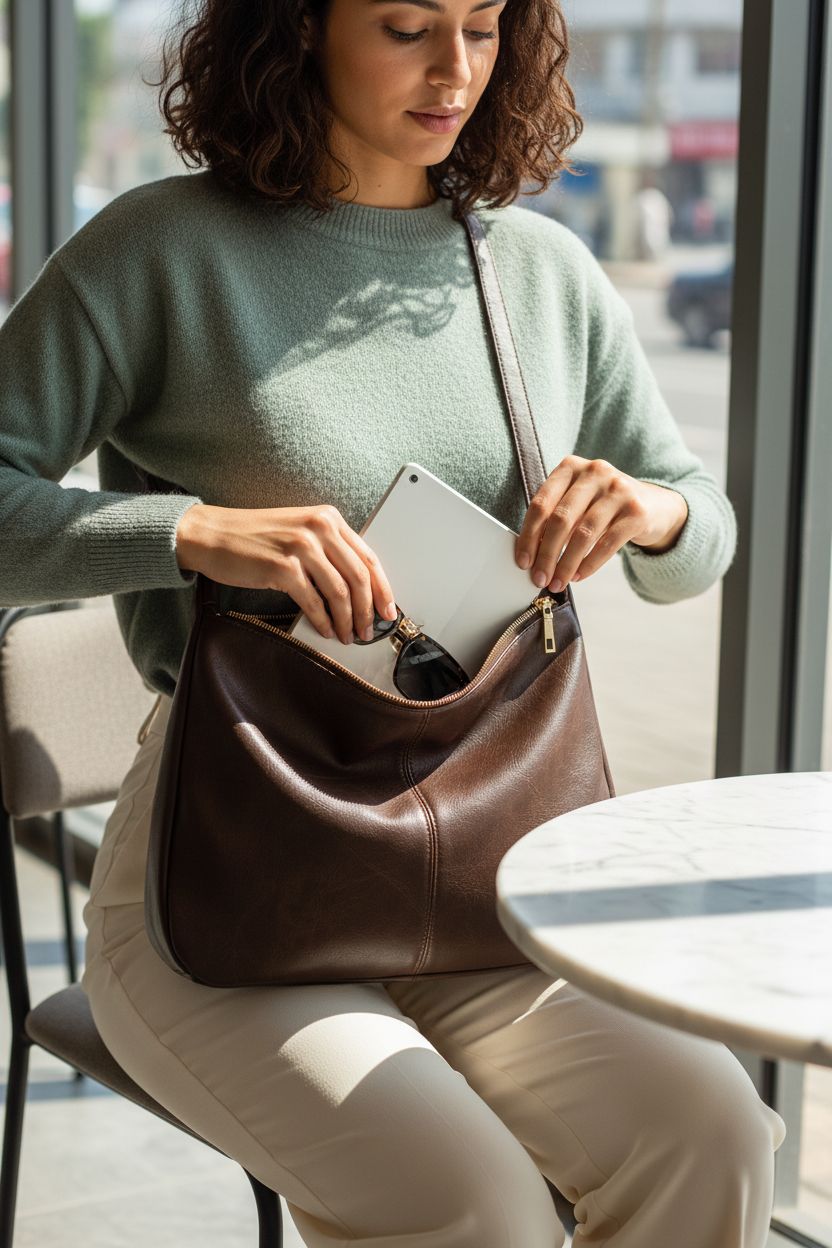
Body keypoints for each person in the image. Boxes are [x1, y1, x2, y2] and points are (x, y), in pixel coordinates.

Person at [0, 0, 786, 1243]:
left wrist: (650, 513)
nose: (457, 69)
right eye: (409, 25)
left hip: (481, 854)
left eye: (484, 27)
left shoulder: (538, 273)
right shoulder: (160, 251)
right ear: (295, 31)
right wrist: (187, 532)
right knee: (466, 1202)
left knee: (715, 1133)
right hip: (221, 877)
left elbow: (701, 533)